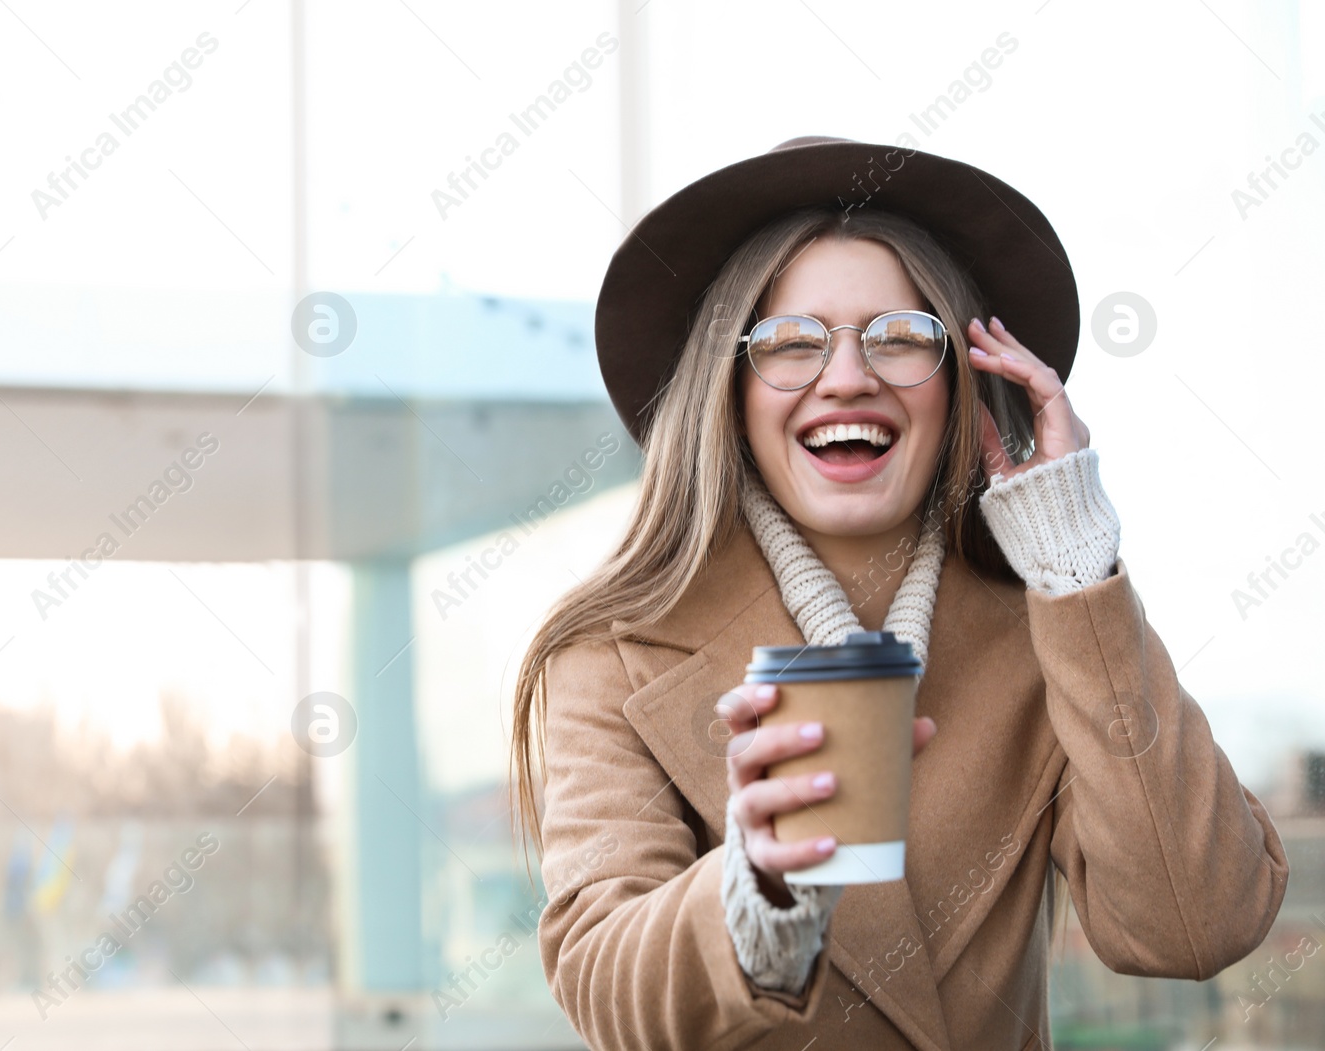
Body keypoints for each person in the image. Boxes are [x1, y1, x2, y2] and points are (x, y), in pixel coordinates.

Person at [509, 136, 1289, 1049]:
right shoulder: (614, 654)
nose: (848, 375)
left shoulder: (1052, 634)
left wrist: (1076, 565)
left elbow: (1195, 924)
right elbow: (608, 996)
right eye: (792, 343)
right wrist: (758, 886)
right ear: (728, 393)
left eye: (903, 337)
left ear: (963, 382)